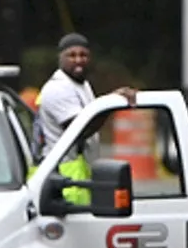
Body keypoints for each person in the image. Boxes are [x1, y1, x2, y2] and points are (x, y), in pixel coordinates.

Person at [32, 33, 137, 204]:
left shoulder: (81, 84)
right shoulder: (58, 88)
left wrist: (107, 103)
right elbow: (80, 130)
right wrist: (110, 103)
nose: (78, 60)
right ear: (60, 58)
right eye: (71, 55)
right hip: (64, 176)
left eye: (83, 55)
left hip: (80, 172)